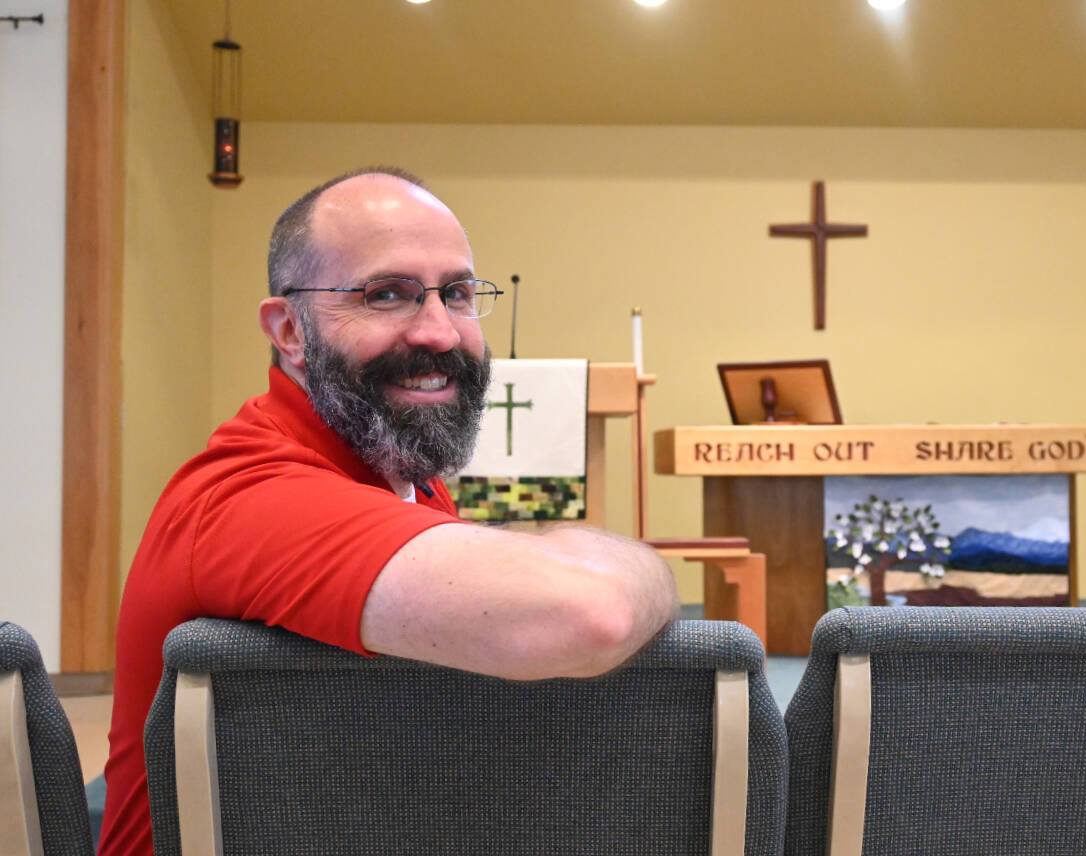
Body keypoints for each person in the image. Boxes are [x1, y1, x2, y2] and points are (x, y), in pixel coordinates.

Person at [97, 167, 678, 855]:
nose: (438, 332)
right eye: (386, 295)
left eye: (456, 294)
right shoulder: (246, 496)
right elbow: (590, 612)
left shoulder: (405, 476)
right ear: (289, 329)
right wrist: (647, 564)